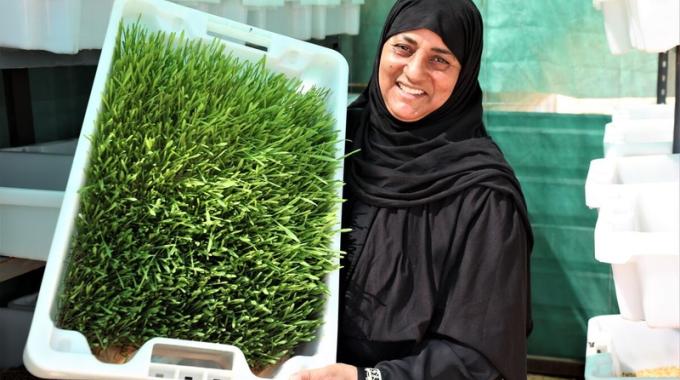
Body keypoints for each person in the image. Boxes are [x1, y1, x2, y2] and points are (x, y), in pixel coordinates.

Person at [291, 0, 533, 379]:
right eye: (403, 48)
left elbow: (482, 359)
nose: (415, 72)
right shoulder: (330, 139)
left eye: (440, 60)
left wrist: (367, 378)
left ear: (465, 74)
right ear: (382, 49)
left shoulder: (482, 196)